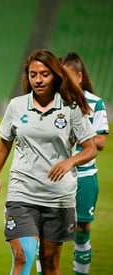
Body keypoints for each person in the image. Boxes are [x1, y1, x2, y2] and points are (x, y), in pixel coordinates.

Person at [0, 49, 98, 275]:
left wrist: (70, 162)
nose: (38, 79)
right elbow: (3, 146)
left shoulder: (71, 107)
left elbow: (91, 147)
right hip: (22, 193)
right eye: (33, 74)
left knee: (50, 264)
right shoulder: (16, 106)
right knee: (22, 257)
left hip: (59, 196)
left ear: (55, 75)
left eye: (44, 74)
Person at [59, 52, 109, 275]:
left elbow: (101, 141)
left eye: (69, 77)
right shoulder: (54, 101)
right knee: (49, 235)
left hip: (85, 176)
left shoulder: (95, 103)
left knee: (82, 231)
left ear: (79, 77)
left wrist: (80, 134)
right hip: (57, 177)